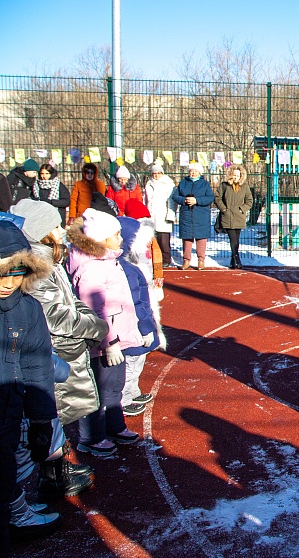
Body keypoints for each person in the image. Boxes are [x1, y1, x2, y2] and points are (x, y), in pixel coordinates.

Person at [10, 199, 103, 497]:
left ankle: (57, 469)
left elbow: (69, 300)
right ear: (41, 231)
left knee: (56, 417)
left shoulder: (51, 259)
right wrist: (95, 327)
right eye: (56, 225)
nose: (62, 230)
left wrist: (89, 318)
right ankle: (50, 479)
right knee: (51, 415)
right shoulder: (37, 268)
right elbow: (55, 316)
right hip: (53, 351)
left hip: (65, 349)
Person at [66, 208, 145, 457]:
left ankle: (114, 426)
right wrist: (109, 342)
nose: (121, 238)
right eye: (116, 234)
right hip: (102, 342)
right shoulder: (92, 267)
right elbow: (95, 309)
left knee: (114, 386)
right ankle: (91, 437)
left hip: (115, 338)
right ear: (101, 238)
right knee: (98, 389)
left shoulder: (107, 260)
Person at [0, 221, 59, 551]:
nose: (9, 283)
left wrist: (41, 421)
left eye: (17, 272)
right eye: (1, 273)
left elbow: (37, 367)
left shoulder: (28, 308)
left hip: (6, 419)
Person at [117, 211, 165, 417]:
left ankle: (133, 391)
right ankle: (124, 399)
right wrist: (146, 326)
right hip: (134, 325)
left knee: (138, 360)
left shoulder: (135, 266)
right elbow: (137, 302)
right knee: (130, 362)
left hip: (142, 321)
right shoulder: (126, 270)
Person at [171, 162, 213, 270]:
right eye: (191, 171)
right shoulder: (183, 183)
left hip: (201, 215)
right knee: (187, 238)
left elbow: (210, 198)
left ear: (200, 172)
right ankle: (186, 260)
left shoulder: (205, 184)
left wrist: (197, 201)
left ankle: (201, 260)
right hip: (186, 214)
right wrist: (184, 200)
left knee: (201, 238)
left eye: (195, 171)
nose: (193, 173)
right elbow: (175, 196)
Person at [214, 164, 253, 269]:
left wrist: (242, 209)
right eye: (234, 175)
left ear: (241, 176)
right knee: (233, 239)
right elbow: (217, 198)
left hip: (239, 216)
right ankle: (237, 259)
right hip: (227, 216)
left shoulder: (244, 187)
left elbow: (249, 201)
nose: (235, 177)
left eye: (237, 175)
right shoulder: (224, 185)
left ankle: (233, 261)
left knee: (236, 239)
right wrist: (223, 209)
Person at [144, 163, 176, 269]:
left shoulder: (168, 184)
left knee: (164, 241)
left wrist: (170, 215)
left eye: (158, 173)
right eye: (154, 173)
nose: (156, 175)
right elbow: (146, 200)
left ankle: (166, 259)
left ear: (162, 173)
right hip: (151, 215)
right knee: (154, 240)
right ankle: (155, 259)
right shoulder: (148, 184)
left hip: (163, 216)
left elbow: (172, 201)